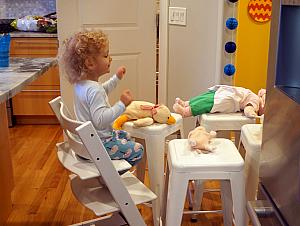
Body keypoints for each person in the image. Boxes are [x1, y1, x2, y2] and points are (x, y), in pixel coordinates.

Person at [61, 30, 144, 166]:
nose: (110, 58)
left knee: (126, 136)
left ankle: (110, 176)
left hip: (87, 142)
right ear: (90, 64)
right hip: (99, 145)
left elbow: (102, 91)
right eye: (105, 55)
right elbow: (100, 121)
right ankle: (113, 180)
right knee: (138, 150)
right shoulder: (94, 90)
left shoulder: (82, 85)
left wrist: (116, 78)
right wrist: (122, 104)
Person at [173, 85, 266, 118]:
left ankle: (186, 109)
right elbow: (249, 108)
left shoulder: (255, 97)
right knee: (206, 100)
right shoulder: (256, 101)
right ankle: (186, 106)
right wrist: (251, 114)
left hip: (225, 93)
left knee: (205, 100)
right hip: (228, 97)